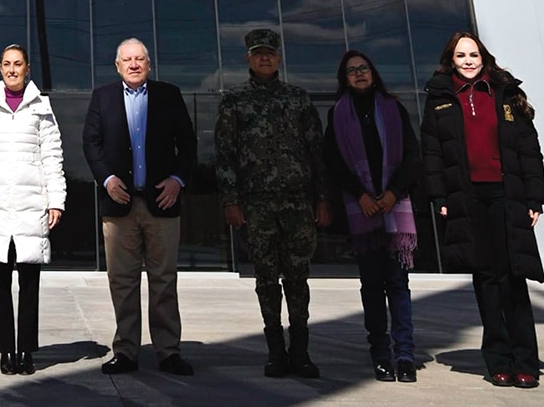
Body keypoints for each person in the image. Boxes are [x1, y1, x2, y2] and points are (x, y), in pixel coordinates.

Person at [421, 31, 543, 389]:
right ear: (451, 61)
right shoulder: (440, 98)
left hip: (508, 195)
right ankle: (498, 360)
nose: (469, 60)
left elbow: (529, 150)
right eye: (461, 56)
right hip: (468, 198)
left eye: (474, 54)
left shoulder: (506, 93)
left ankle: (525, 362)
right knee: (486, 279)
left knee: (513, 277)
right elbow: (432, 154)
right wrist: (439, 197)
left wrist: (535, 198)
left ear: (483, 57)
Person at [215, 28, 330, 379]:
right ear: (248, 59)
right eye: (258, 53)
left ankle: (301, 352)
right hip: (257, 205)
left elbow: (317, 152)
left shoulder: (299, 99)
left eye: (270, 53)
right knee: (266, 280)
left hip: (297, 203)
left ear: (278, 58)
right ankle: (275, 352)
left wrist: (322, 198)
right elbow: (225, 155)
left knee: (298, 279)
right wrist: (231, 200)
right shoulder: (235, 101)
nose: (264, 58)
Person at [82, 38, 197, 376]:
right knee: (122, 280)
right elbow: (91, 143)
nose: (133, 64)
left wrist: (177, 179)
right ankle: (126, 352)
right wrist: (106, 179)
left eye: (139, 59)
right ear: (117, 66)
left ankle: (168, 352)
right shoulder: (102, 97)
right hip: (119, 206)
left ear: (149, 64)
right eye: (126, 60)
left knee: (164, 280)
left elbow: (188, 144)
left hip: (162, 202)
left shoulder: (169, 95)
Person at [0, 44, 66, 376]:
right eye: (6, 64)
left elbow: (53, 158)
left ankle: (27, 351)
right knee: (0, 284)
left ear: (27, 68)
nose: (11, 69)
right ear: (0, 68)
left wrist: (56, 201)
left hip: (31, 206)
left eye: (17, 64)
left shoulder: (41, 109)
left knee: (30, 286)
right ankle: (6, 350)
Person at [323, 50, 420, 383]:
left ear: (373, 73)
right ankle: (380, 353)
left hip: (395, 208)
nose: (359, 74)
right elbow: (333, 163)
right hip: (361, 210)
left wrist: (393, 192)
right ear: (345, 78)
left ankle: (404, 353)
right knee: (372, 286)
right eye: (352, 70)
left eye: (364, 68)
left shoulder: (394, 109)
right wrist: (361, 195)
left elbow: (412, 156)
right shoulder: (337, 116)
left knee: (398, 283)